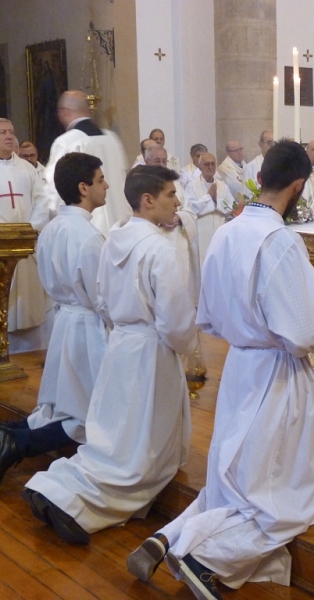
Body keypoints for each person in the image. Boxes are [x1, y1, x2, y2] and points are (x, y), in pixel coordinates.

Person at [127, 140, 314, 599]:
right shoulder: (279, 240)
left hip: (240, 367)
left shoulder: (226, 232)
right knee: (282, 497)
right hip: (277, 374)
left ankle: (169, 536)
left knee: (237, 484)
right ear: (299, 186)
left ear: (260, 178)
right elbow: (305, 331)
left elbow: (212, 311)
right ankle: (207, 559)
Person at [23, 165, 197, 544]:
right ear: (148, 200)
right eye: (170, 195)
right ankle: (76, 505)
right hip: (151, 352)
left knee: (113, 438)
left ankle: (57, 485)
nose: (177, 202)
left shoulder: (114, 238)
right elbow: (175, 322)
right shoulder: (158, 248)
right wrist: (188, 350)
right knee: (141, 455)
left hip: (120, 344)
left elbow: (101, 298)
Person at [0, 152, 110, 485]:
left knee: (58, 405)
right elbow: (101, 297)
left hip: (63, 322)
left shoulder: (51, 229)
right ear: (83, 187)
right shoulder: (89, 237)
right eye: (101, 179)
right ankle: (16, 443)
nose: (106, 186)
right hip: (88, 329)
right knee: (85, 412)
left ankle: (8, 434)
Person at [43, 90, 131, 236]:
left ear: (64, 111)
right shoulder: (112, 139)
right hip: (120, 226)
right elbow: (124, 179)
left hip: (86, 228)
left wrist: (51, 225)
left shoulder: (67, 142)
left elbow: (56, 189)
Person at [0, 119, 51, 345]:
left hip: (25, 243)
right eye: (2, 133)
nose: (9, 136)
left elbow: (41, 200)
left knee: (28, 306)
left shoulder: (27, 168)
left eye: (11, 132)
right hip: (1, 246)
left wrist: (31, 229)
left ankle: (29, 351)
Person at [146, 145, 200, 301]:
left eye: (164, 161)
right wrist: (160, 220)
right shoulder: (142, 183)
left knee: (178, 289)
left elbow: (190, 211)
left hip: (176, 240)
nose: (162, 165)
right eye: (158, 161)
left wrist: (179, 217)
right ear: (148, 161)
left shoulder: (175, 184)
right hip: (154, 239)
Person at [186, 152, 234, 266]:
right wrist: (208, 197)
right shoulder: (191, 186)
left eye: (213, 164)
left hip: (219, 230)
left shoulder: (222, 185)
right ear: (200, 166)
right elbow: (190, 208)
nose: (211, 167)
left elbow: (232, 206)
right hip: (201, 232)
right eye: (207, 164)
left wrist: (217, 199)